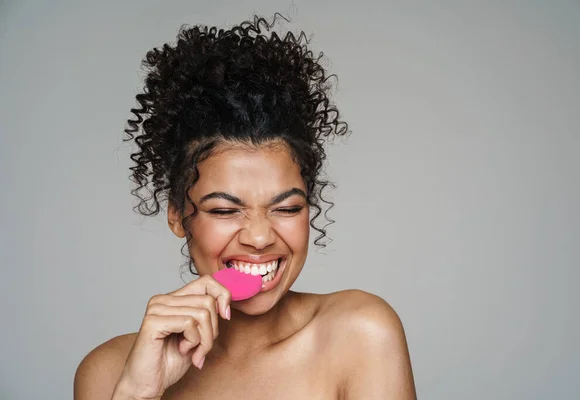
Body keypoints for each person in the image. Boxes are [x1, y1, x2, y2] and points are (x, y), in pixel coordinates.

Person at [74, 14, 416, 400]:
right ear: (177, 214)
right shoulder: (108, 372)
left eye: (286, 209)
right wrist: (138, 393)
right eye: (224, 211)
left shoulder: (360, 334)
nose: (258, 237)